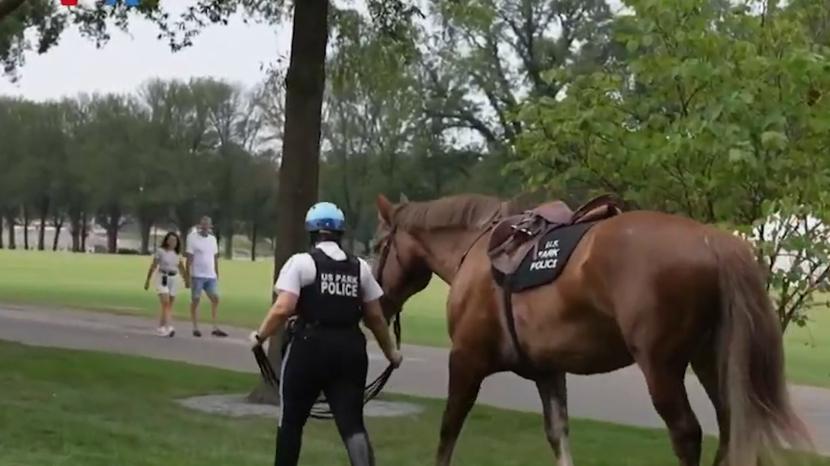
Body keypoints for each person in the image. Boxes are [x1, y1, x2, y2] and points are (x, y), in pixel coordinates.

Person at [249, 201, 402, 466]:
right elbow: (375, 317)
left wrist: (259, 337)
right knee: (352, 423)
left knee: (291, 421)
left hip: (308, 348)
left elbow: (283, 307)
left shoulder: (301, 263)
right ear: (340, 233)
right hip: (350, 351)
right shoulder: (360, 267)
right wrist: (391, 353)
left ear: (312, 232)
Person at [185, 216, 228, 337]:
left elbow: (214, 257)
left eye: (207, 224)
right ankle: (195, 327)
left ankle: (215, 326)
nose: (205, 227)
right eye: (203, 224)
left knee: (215, 298)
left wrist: (216, 272)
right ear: (200, 225)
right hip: (197, 275)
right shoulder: (192, 238)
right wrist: (187, 275)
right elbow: (189, 257)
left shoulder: (212, 239)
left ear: (210, 226)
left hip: (210, 275)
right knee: (196, 300)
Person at [144, 232, 189, 337]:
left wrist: (186, 280)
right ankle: (169, 327)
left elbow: (181, 267)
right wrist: (148, 280)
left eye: (174, 240)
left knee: (169, 305)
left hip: (174, 279)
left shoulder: (177, 254)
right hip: (162, 277)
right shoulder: (161, 251)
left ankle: (161, 326)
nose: (172, 242)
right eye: (170, 240)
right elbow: (153, 265)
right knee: (165, 302)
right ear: (166, 240)